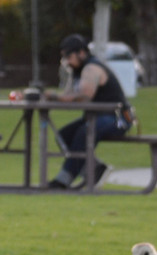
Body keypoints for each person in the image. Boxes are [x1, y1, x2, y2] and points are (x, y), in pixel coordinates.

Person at [44, 34, 132, 189]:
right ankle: (96, 168)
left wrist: (54, 96)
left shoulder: (92, 68)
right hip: (96, 117)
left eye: (69, 56)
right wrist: (49, 96)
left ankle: (63, 180)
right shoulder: (78, 71)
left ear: (81, 53)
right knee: (64, 135)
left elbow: (84, 97)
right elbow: (69, 94)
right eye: (64, 57)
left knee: (84, 132)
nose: (66, 61)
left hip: (118, 118)